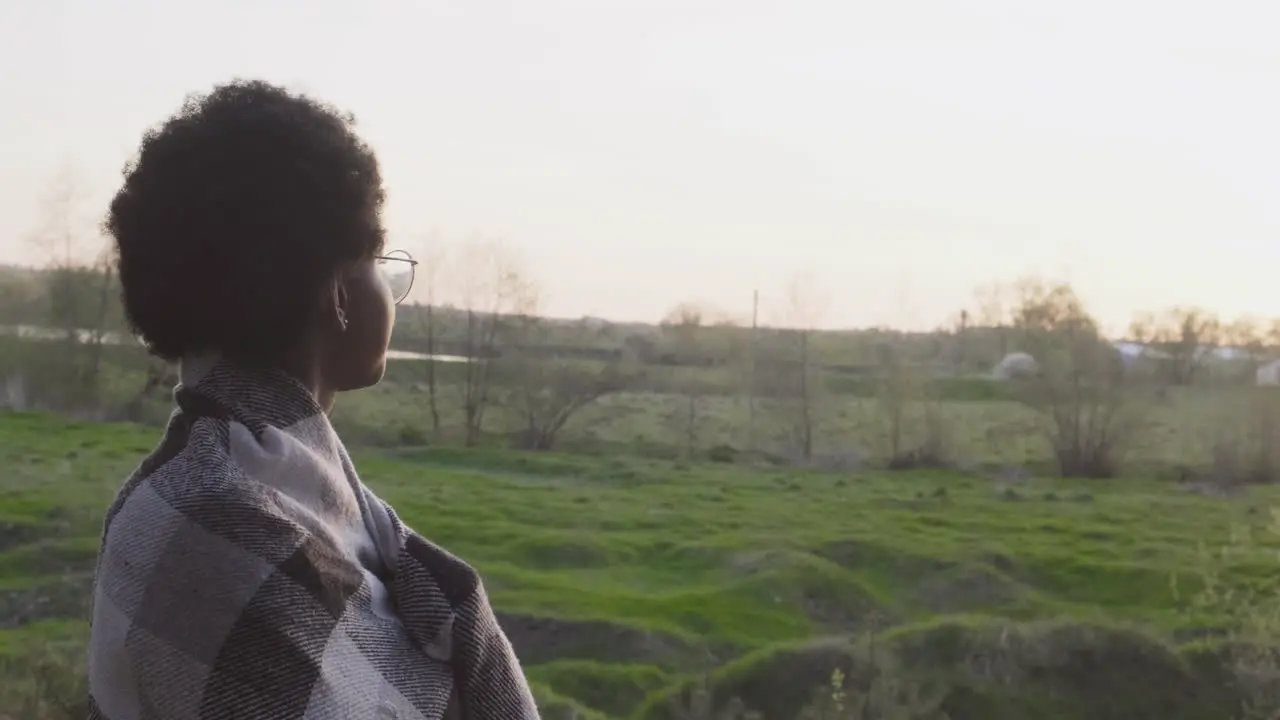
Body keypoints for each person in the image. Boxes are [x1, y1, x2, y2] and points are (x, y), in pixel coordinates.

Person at [87, 80, 539, 720]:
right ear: (337, 292)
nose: (389, 286)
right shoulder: (220, 523)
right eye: (378, 260)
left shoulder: (235, 490)